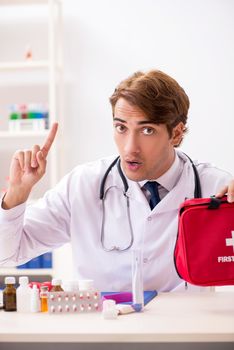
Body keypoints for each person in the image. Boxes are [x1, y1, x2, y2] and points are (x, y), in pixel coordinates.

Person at [0, 70, 233, 292]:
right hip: (106, 331)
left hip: (187, 330)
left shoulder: (217, 188)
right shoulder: (82, 185)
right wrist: (17, 196)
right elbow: (8, 255)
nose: (130, 148)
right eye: (121, 127)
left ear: (176, 133)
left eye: (147, 130)